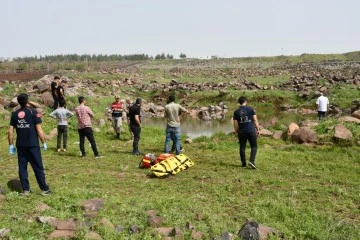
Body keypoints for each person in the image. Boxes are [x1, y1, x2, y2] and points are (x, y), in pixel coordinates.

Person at [8, 93, 51, 196]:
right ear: (27, 101)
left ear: (18, 102)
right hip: (32, 144)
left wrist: (11, 145)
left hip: (20, 145)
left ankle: (26, 190)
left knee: (22, 168)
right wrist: (43, 142)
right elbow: (39, 129)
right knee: (38, 167)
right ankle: (44, 189)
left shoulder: (14, 114)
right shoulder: (33, 112)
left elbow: (10, 131)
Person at [233, 96, 260, 169]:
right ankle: (252, 161)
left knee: (242, 147)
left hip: (241, 132)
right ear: (246, 101)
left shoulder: (236, 112)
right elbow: (255, 120)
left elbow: (235, 124)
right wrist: (258, 129)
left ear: (239, 103)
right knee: (254, 146)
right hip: (251, 131)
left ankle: (243, 164)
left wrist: (236, 131)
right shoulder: (251, 109)